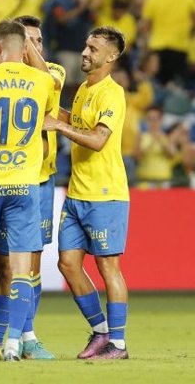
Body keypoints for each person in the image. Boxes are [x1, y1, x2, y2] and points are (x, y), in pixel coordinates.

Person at [0, 20, 54, 362]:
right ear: (26, 48)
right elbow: (47, 97)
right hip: (23, 183)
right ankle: (15, 342)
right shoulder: (42, 80)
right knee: (21, 267)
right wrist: (29, 54)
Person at [43, 26, 130, 360]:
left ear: (111, 56)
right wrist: (56, 115)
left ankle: (118, 345)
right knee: (68, 264)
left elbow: (97, 140)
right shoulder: (82, 91)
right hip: (77, 194)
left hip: (106, 194)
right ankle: (101, 331)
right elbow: (76, 123)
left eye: (93, 48)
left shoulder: (112, 93)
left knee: (109, 268)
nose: (85, 52)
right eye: (85, 45)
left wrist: (60, 126)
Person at [15, 15, 65, 360]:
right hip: (5, 179)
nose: (37, 48)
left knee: (32, 260)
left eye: (40, 41)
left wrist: (27, 49)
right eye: (29, 41)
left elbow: (45, 79)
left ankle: (27, 335)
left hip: (41, 181)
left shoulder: (55, 72)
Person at [140, 0, 195, 85]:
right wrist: (191, 32)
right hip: (180, 47)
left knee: (158, 85)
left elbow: (145, 26)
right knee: (178, 85)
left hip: (157, 48)